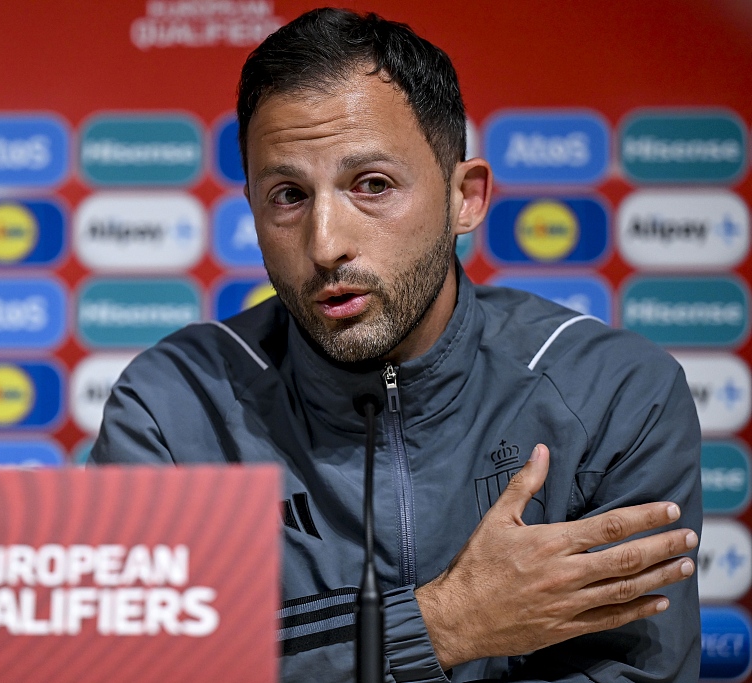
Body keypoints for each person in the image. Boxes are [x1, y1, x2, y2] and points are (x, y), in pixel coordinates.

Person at [92, 8, 702, 682]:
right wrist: (447, 621)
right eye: (288, 195)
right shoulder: (174, 407)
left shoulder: (614, 394)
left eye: (372, 185)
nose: (326, 244)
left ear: (463, 198)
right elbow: (135, 665)